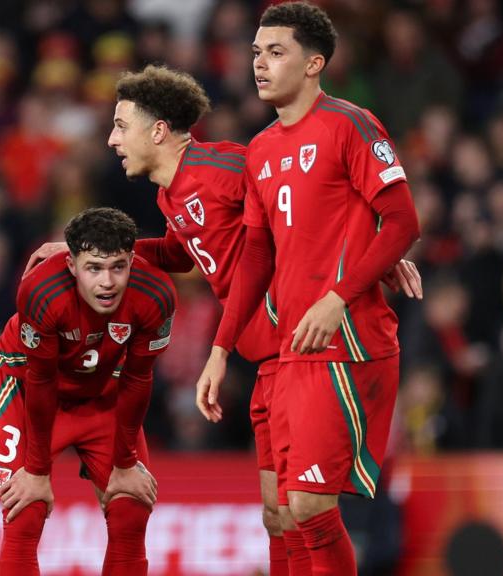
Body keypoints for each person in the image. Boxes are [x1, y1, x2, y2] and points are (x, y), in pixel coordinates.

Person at [26, 65, 421, 574]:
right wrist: (87, 253)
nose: (112, 138)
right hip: (264, 354)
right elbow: (179, 250)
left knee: (306, 511)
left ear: (159, 130)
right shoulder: (171, 192)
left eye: (122, 126)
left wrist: (378, 255)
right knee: (278, 516)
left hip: (299, 345)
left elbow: (308, 200)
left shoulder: (221, 167)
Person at [197, 3, 421, 575]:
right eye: (255, 53)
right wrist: (220, 350)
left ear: (315, 63)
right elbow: (253, 257)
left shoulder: (351, 124)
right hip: (290, 348)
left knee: (311, 507)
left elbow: (401, 222)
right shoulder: (263, 149)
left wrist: (338, 296)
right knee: (283, 515)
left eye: (276, 52)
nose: (260, 65)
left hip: (344, 341)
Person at [0, 207, 174, 575]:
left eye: (118, 267)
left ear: (132, 261)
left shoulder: (155, 295)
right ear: (71, 265)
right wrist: (37, 470)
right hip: (29, 387)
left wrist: (124, 464)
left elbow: (139, 379)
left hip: (102, 388)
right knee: (24, 509)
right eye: (94, 268)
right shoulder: (42, 292)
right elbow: (42, 382)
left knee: (130, 509)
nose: (107, 282)